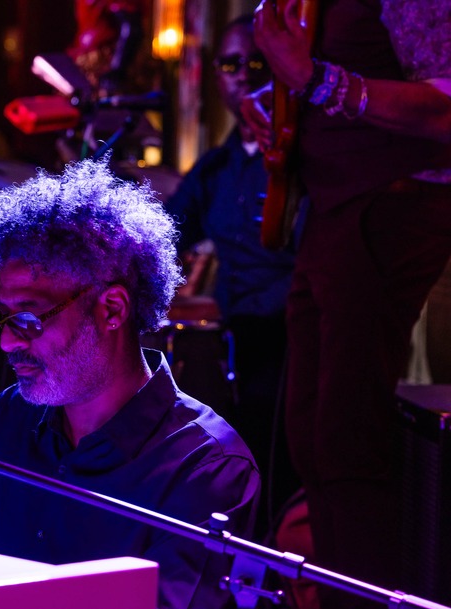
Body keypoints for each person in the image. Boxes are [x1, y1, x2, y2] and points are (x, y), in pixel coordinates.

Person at [0, 158, 260, 609]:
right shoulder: (9, 417)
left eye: (28, 318)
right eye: (0, 317)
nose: (8, 341)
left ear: (112, 310)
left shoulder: (207, 469)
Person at [242, 0, 451, 609]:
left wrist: (314, 79)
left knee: (348, 438)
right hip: (335, 210)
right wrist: (277, 104)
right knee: (311, 434)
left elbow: (446, 111)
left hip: (391, 206)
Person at [164, 14, 299, 540]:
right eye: (230, 64)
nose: (243, 74)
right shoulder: (216, 167)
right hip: (232, 345)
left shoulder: (300, 162)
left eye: (257, 63)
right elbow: (167, 232)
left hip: (288, 345)